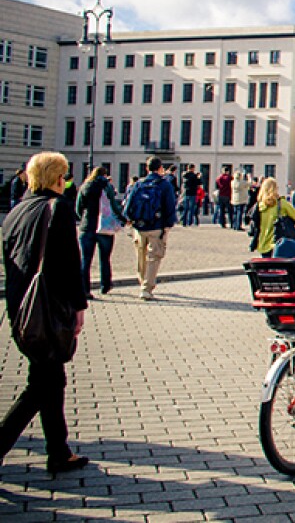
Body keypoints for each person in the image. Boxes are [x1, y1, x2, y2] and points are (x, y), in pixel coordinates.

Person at [0, 151, 90, 472]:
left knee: (50, 379)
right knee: (41, 386)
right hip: (47, 311)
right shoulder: (58, 210)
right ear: (55, 179)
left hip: (21, 310)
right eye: (64, 176)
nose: (66, 182)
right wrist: (79, 307)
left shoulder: (17, 211)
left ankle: (58, 450)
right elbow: (69, 266)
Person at [123, 157, 178, 301]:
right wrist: (168, 225)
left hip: (139, 225)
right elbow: (170, 206)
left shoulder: (139, 184)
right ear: (160, 168)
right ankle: (146, 288)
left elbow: (129, 203)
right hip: (157, 225)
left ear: (147, 169)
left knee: (140, 255)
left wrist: (129, 218)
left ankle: (142, 281)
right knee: (154, 257)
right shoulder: (164, 185)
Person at [76, 165, 126, 297]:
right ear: (105, 175)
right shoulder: (107, 187)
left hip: (88, 226)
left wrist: (83, 219)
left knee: (85, 260)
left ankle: (85, 289)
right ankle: (105, 285)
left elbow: (78, 207)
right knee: (105, 258)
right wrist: (122, 219)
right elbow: (114, 206)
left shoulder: (85, 186)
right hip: (104, 227)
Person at [250, 177, 295, 257]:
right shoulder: (281, 204)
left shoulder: (259, 206)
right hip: (278, 243)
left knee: (267, 267)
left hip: (263, 243)